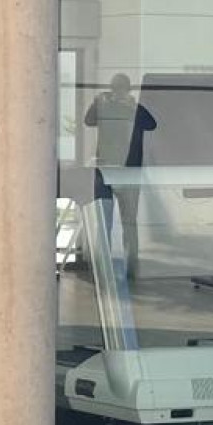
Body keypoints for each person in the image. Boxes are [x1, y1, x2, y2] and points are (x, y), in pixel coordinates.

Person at [81, 73, 152, 276]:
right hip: (106, 170)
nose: (117, 92)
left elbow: (151, 124)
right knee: (105, 223)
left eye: (121, 88)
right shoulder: (105, 106)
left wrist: (132, 106)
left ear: (128, 90)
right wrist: (97, 102)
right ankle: (102, 268)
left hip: (128, 171)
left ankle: (131, 267)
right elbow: (89, 120)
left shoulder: (133, 108)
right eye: (115, 88)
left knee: (128, 222)